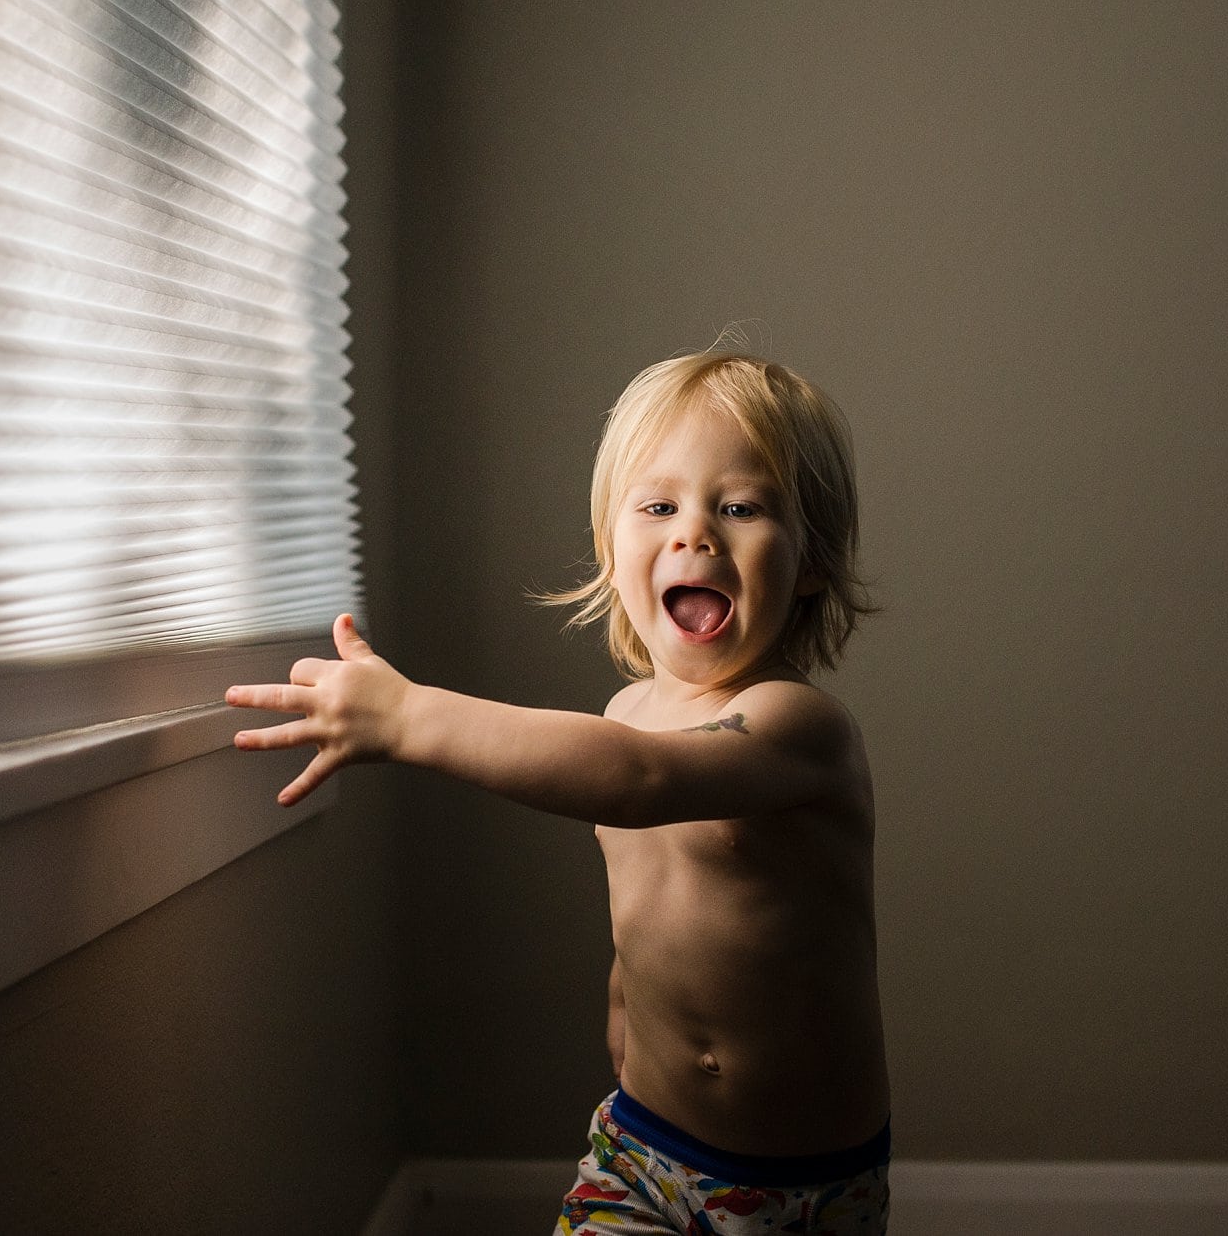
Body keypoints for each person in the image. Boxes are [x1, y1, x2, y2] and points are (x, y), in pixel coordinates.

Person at [225, 347, 891, 1233]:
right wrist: (623, 997)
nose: (695, 532)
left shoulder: (797, 727)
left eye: (740, 507)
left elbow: (637, 779)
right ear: (613, 552)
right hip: (644, 1144)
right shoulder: (624, 711)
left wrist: (411, 717)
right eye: (658, 506)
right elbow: (647, 893)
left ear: (810, 558)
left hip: (801, 1185)